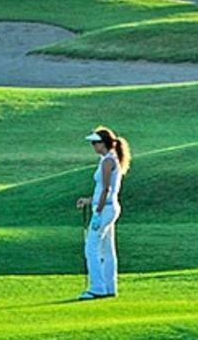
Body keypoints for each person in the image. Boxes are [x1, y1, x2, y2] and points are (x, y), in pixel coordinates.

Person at [76, 127, 131, 300]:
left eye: (95, 143)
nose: (93, 146)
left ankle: (97, 287)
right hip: (108, 206)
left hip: (105, 208)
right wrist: (89, 200)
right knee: (107, 250)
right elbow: (102, 189)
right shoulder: (108, 159)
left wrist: (97, 212)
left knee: (91, 247)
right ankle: (109, 287)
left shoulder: (108, 161)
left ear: (103, 143)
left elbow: (106, 189)